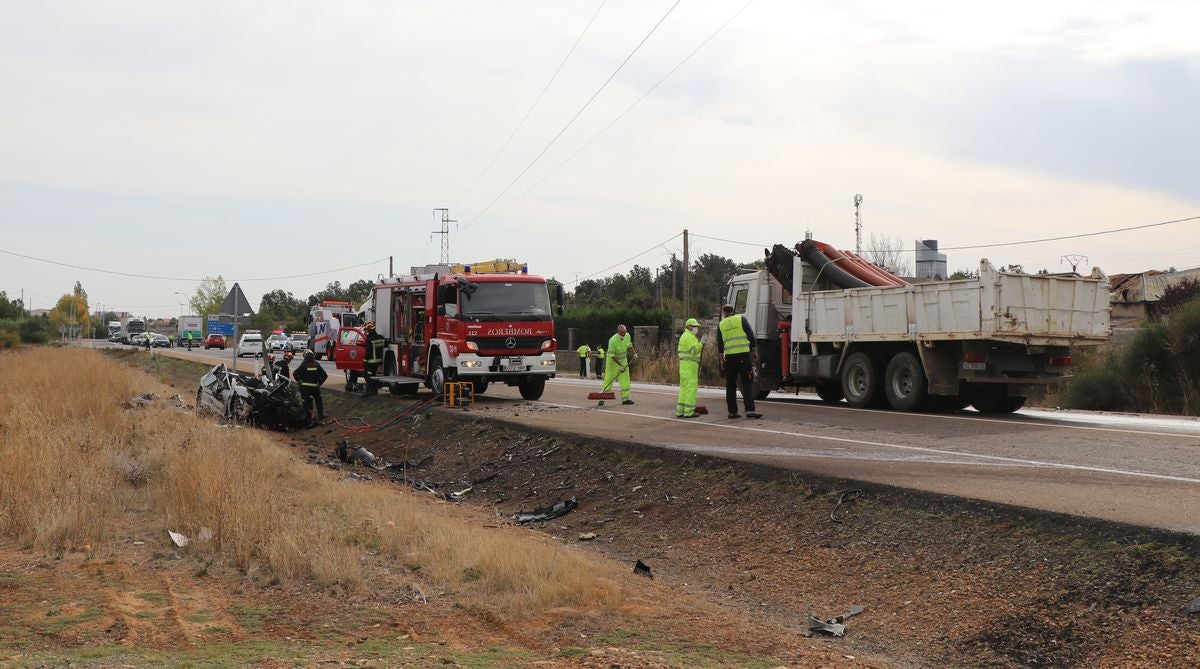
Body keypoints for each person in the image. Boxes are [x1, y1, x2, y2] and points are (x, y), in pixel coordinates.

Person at [717, 304, 762, 419]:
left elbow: (720, 345)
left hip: (730, 359)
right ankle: (749, 410)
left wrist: (722, 360)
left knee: (730, 385)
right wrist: (754, 350)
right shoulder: (741, 319)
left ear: (724, 312)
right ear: (733, 311)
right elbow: (751, 335)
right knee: (747, 382)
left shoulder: (721, 324)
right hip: (743, 357)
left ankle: (732, 412)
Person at [599, 325, 635, 406]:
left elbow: (630, 345)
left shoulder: (627, 336)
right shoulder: (612, 340)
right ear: (618, 332)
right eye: (621, 333)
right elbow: (612, 356)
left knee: (625, 380)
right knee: (608, 380)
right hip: (612, 363)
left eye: (624, 332)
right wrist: (620, 366)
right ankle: (602, 399)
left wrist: (634, 353)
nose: (623, 334)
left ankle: (626, 399)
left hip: (623, 362)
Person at [676, 318, 703, 418]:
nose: (696, 328)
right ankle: (689, 411)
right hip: (690, 366)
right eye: (694, 326)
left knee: (684, 389)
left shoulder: (685, 336)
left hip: (684, 366)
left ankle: (680, 411)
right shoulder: (689, 336)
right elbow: (693, 350)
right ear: (689, 326)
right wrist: (701, 343)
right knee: (691, 388)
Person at [293, 349, 328, 424]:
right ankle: (321, 415)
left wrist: (299, 381)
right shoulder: (317, 364)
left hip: (305, 389)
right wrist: (319, 383)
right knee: (318, 401)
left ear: (305, 357)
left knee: (307, 403)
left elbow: (295, 373)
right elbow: (325, 375)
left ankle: (308, 418)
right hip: (315, 388)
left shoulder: (303, 365)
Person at [362, 320, 386, 397]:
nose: (366, 332)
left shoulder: (369, 340)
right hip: (379, 361)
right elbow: (385, 344)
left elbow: (368, 352)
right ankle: (374, 390)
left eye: (366, 331)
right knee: (373, 376)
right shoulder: (381, 337)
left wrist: (365, 362)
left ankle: (369, 392)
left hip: (371, 362)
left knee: (368, 376)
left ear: (369, 331)